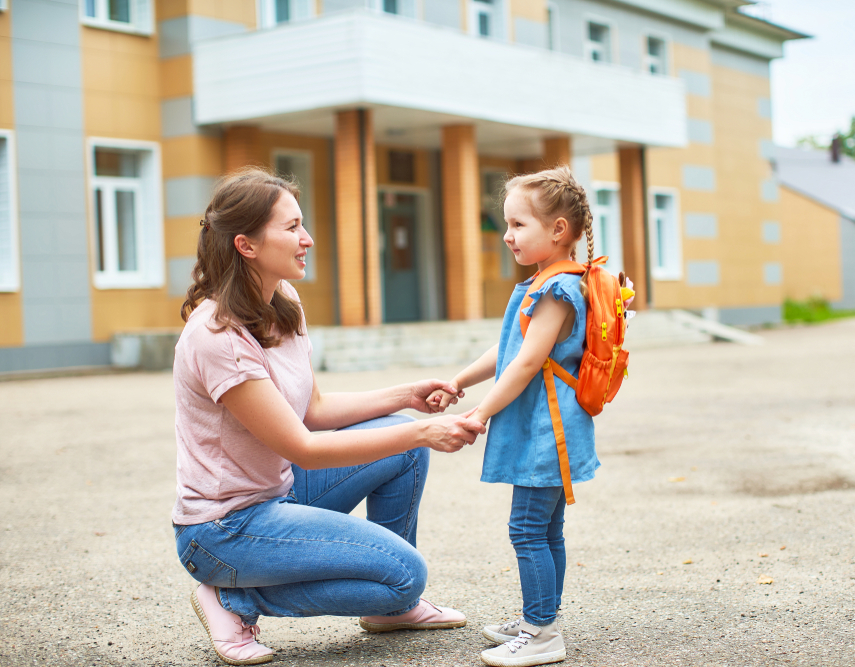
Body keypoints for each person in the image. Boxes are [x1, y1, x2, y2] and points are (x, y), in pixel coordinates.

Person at [172, 167, 486, 665]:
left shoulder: (282, 302)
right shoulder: (219, 337)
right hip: (223, 530)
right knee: (406, 576)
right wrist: (424, 432)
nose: (307, 239)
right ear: (246, 245)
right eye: (292, 227)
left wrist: (407, 398)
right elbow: (305, 448)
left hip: (278, 493)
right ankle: (232, 598)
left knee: (401, 445)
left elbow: (313, 411)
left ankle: (391, 609)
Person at [427, 166, 601, 667]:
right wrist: (460, 381)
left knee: (528, 529)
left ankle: (543, 633)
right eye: (506, 224)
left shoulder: (557, 289)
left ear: (558, 231)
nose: (507, 235)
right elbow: (508, 351)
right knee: (546, 531)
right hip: (544, 427)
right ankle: (538, 617)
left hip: (548, 431)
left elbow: (527, 363)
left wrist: (480, 412)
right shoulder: (545, 281)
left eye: (518, 224)